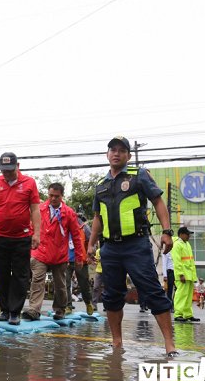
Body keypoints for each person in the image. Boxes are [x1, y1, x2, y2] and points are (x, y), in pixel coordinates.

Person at [86, 136, 177, 357]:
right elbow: (98, 217)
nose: (116, 153)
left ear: (128, 155)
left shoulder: (139, 175)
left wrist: (166, 232)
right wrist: (91, 244)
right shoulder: (101, 185)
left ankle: (169, 344)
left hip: (136, 245)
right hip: (110, 249)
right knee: (112, 296)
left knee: (153, 292)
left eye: (121, 150)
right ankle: (117, 342)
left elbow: (157, 201)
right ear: (107, 154)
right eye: (112, 150)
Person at [23, 183, 85, 321]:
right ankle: (34, 309)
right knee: (37, 280)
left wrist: (79, 257)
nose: (53, 199)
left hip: (60, 254)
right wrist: (32, 240)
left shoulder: (68, 213)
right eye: (51, 195)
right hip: (40, 252)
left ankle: (60, 309)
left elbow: (76, 236)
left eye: (56, 196)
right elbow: (31, 227)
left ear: (62, 196)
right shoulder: (39, 209)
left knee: (60, 284)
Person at [0, 152, 41, 325]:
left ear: (17, 166)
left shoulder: (29, 183)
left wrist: (37, 233)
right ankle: (4, 309)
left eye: (10, 170)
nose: (6, 174)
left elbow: (35, 209)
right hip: (0, 236)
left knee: (20, 275)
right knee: (2, 274)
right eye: (4, 171)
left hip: (22, 237)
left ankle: (15, 312)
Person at [66, 212, 94, 315]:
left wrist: (90, 255)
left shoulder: (84, 227)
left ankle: (88, 303)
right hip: (66, 260)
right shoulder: (64, 227)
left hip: (81, 260)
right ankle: (68, 306)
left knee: (84, 284)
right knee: (65, 283)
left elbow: (91, 240)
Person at [171, 227, 199, 322]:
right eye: (187, 234)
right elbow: (177, 261)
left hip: (189, 275)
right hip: (182, 275)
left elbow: (190, 261)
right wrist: (180, 274)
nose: (189, 236)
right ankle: (178, 314)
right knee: (181, 295)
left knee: (188, 296)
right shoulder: (177, 245)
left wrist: (193, 276)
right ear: (181, 234)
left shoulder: (187, 244)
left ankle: (187, 314)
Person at [91, 247, 104, 311]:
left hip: (107, 271)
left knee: (107, 289)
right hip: (98, 271)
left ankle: (107, 306)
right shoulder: (98, 251)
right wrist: (94, 261)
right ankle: (94, 305)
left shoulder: (109, 250)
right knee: (95, 287)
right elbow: (95, 260)